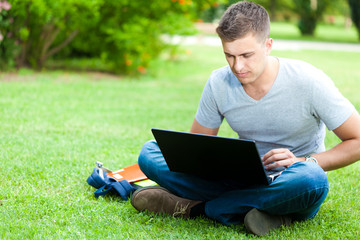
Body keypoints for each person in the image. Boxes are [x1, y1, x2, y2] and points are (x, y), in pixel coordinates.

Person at [130, 1, 360, 236]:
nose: (237, 66)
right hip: (238, 179)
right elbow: (195, 149)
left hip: (291, 181)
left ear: (268, 45)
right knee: (150, 153)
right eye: (229, 55)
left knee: (313, 180)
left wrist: (303, 161)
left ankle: (199, 209)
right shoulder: (219, 82)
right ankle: (265, 213)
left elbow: (357, 140)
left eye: (246, 55)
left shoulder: (309, 81)